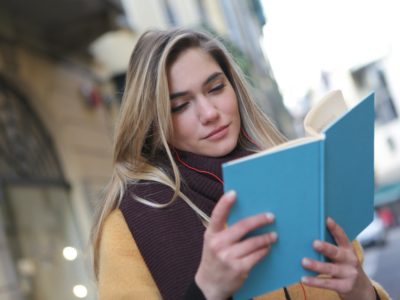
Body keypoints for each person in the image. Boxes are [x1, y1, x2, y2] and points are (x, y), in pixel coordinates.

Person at [91, 28, 390, 300]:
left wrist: (363, 292)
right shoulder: (130, 224)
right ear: (154, 124)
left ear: (234, 88)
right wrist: (206, 289)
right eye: (180, 105)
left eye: (216, 88)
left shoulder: (296, 172)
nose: (209, 112)